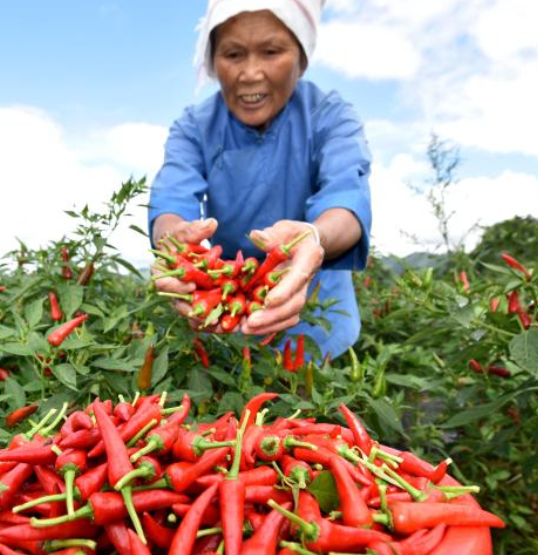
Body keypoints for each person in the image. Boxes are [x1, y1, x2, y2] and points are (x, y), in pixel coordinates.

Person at [148, 0, 372, 362]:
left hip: (317, 319)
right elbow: (171, 203)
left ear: (301, 59)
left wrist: (311, 240)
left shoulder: (330, 116)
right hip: (227, 311)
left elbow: (346, 199)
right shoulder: (195, 126)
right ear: (212, 60)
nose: (250, 73)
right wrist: (175, 241)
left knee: (316, 403)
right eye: (233, 54)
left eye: (271, 51)